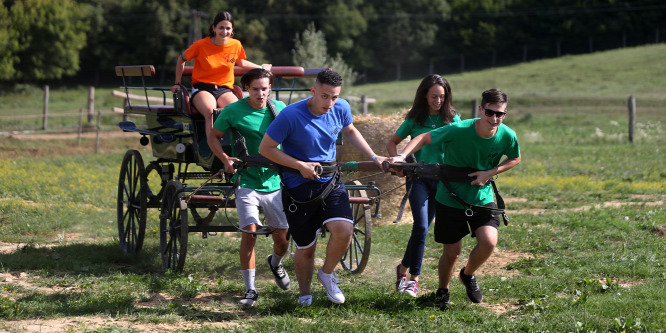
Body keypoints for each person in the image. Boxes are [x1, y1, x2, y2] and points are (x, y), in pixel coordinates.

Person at [259, 70, 387, 306]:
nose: (330, 103)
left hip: (330, 181)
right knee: (306, 248)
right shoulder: (290, 115)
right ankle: (305, 294)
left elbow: (349, 130)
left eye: (335, 97)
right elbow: (265, 149)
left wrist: (373, 154)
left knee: (344, 231)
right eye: (325, 96)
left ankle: (326, 274)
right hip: (298, 187)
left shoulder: (341, 107)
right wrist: (300, 166)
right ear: (314, 91)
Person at [389, 88, 520, 309]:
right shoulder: (459, 129)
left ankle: (467, 275)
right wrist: (401, 156)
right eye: (490, 112)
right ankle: (443, 290)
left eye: (500, 114)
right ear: (481, 109)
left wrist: (491, 172)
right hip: (450, 197)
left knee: (489, 242)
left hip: (482, 196)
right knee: (452, 253)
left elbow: (515, 158)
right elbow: (423, 137)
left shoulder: (507, 135)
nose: (494, 118)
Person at [208, 68, 290, 307]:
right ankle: (250, 290)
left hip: (275, 181)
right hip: (246, 180)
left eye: (265, 88)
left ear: (270, 89)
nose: (260, 93)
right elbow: (214, 136)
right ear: (246, 89)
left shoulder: (280, 109)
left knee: (282, 238)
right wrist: (225, 159)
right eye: (255, 89)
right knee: (250, 231)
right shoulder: (233, 111)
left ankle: (274, 262)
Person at [385, 74, 461, 297]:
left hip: (443, 181)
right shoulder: (415, 118)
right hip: (418, 178)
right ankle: (413, 280)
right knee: (420, 226)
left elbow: (461, 143)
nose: (437, 100)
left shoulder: (453, 119)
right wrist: (397, 162)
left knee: (423, 229)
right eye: (433, 96)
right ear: (425, 96)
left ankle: (402, 268)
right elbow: (392, 142)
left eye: (441, 96)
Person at [170, 11, 271, 140]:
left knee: (238, 111)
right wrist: (177, 83)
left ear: (232, 30)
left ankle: (240, 149)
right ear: (214, 28)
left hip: (224, 89)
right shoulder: (201, 45)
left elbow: (241, 62)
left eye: (228, 28)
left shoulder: (236, 44)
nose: (224, 31)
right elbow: (181, 59)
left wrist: (262, 67)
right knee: (211, 112)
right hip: (203, 88)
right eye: (221, 27)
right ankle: (213, 151)